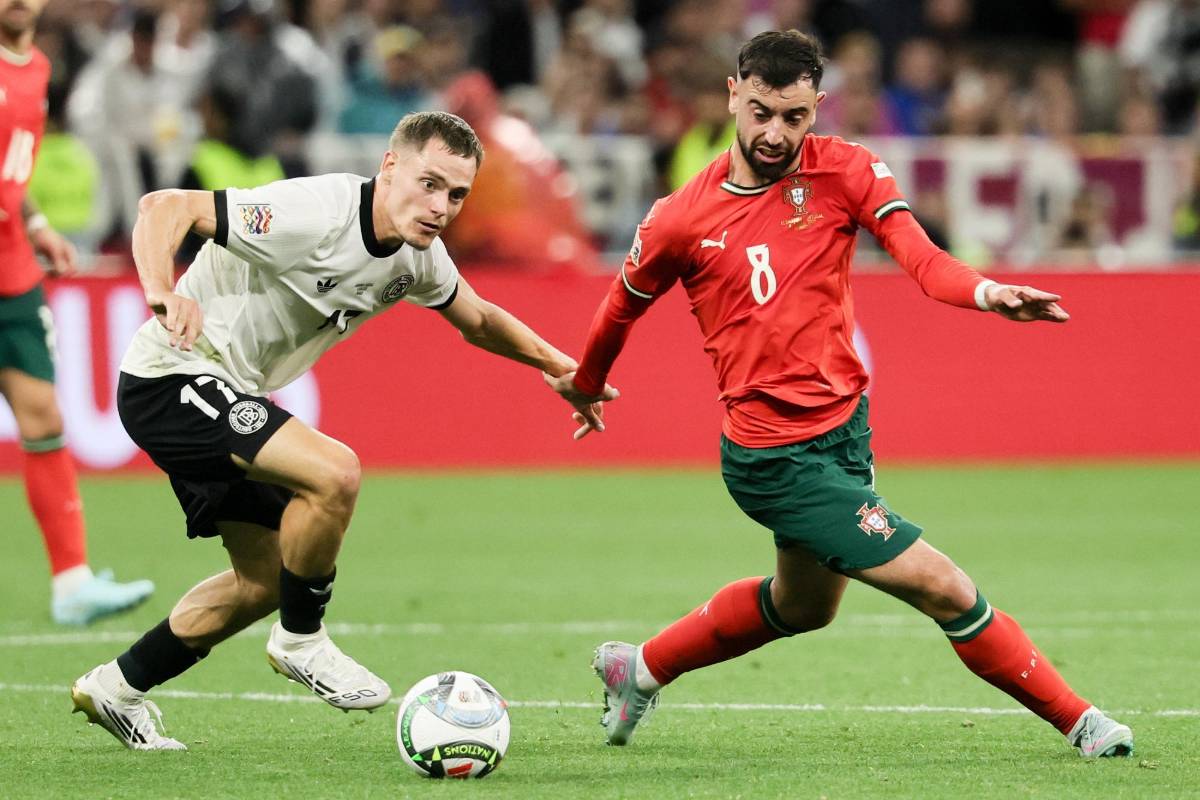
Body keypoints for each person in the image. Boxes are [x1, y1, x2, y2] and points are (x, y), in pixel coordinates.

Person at [546, 30, 1134, 759]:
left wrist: (985, 292)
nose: (774, 133)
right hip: (773, 458)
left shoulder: (846, 171)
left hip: (845, 431)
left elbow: (922, 258)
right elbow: (619, 307)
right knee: (946, 589)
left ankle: (639, 668)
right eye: (760, 112)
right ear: (734, 94)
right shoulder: (679, 218)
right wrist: (589, 384)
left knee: (802, 608)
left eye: (794, 117)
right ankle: (1083, 722)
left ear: (817, 106)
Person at [70, 110, 615, 751]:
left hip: (227, 391)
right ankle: (302, 640)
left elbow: (479, 319)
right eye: (429, 183)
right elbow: (165, 206)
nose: (441, 206)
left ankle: (117, 685)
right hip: (172, 378)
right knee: (335, 472)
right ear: (389, 167)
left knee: (266, 579)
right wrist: (162, 293)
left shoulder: (418, 259)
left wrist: (562, 368)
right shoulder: (314, 212)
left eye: (457, 194)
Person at [0, 0, 153, 625]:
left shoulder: (34, 67)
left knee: (43, 415)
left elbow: (15, 166)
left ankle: (71, 583)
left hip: (12, 273)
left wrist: (34, 222)